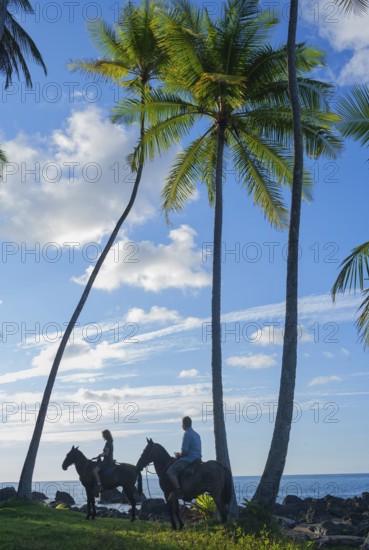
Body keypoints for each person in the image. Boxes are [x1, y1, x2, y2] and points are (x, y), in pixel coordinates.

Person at [167, 416, 202, 499]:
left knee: (170, 471)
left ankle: (179, 491)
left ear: (184, 424)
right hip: (198, 458)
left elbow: (184, 452)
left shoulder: (187, 434)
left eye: (182, 424)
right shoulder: (197, 434)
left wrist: (179, 455)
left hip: (189, 459)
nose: (182, 426)